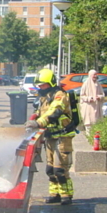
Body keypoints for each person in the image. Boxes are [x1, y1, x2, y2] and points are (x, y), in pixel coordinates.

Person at [26, 68, 80, 204]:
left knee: (60, 169)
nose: (41, 87)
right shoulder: (44, 97)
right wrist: (33, 118)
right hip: (50, 136)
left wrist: (38, 123)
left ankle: (66, 195)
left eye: (43, 85)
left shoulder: (60, 95)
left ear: (51, 83)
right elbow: (41, 112)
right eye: (39, 85)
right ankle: (54, 193)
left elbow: (54, 111)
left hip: (63, 136)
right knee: (50, 169)